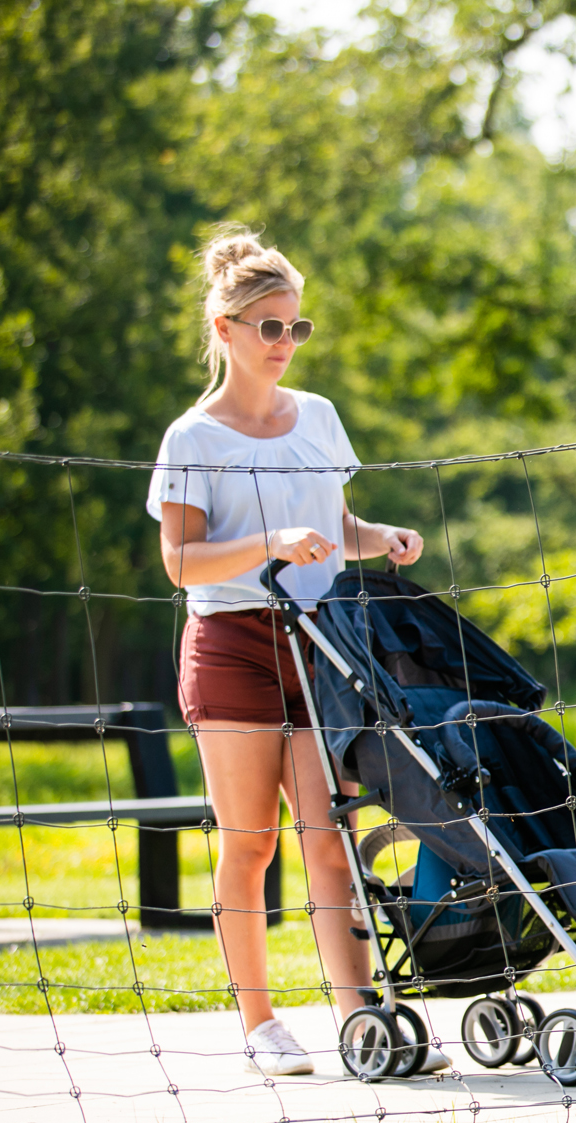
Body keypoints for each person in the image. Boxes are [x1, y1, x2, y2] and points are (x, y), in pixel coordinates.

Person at [148, 227, 437, 1077]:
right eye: (269, 327)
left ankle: (361, 1021)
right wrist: (270, 542)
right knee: (251, 845)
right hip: (231, 643)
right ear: (224, 328)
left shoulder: (318, 417)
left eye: (296, 328)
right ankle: (261, 1025)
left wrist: (380, 537)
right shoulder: (192, 439)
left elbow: (335, 529)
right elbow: (181, 562)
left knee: (330, 835)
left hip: (319, 644)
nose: (285, 344)